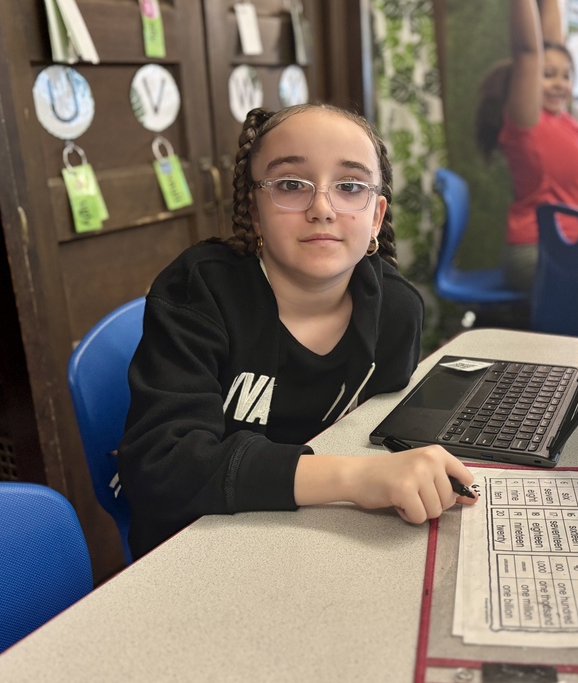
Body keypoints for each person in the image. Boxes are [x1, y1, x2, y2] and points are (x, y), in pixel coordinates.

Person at [118, 104, 476, 559]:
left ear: (377, 216)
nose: (322, 208)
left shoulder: (397, 310)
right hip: (199, 547)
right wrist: (355, 478)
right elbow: (160, 468)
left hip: (325, 535)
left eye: (349, 187)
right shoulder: (199, 291)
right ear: (254, 207)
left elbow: (372, 431)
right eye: (290, 185)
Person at [475, 0, 578, 291]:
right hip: (536, 251)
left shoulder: (561, 119)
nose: (559, 83)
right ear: (527, 80)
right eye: (547, 74)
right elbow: (529, 51)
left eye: (566, 75)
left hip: (565, 246)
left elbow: (552, 42)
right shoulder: (528, 123)